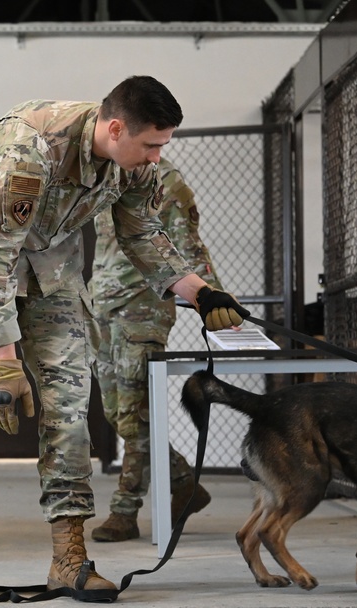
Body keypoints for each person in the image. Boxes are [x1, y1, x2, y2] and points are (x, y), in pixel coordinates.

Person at [0, 75, 249, 604]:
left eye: (162, 145)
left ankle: (68, 557)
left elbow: (143, 235)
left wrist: (201, 292)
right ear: (115, 127)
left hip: (53, 276)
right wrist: (5, 359)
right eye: (150, 144)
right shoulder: (33, 149)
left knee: (70, 411)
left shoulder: (136, 166)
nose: (155, 157)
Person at [90, 156, 224, 542]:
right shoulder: (105, 178)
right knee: (118, 413)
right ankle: (183, 481)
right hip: (104, 306)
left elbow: (189, 246)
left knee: (135, 410)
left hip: (143, 307)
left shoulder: (166, 180)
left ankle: (125, 510)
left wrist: (211, 300)